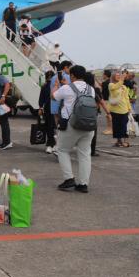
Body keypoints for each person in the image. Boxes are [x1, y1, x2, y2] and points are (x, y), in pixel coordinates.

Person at [52, 65, 95, 193]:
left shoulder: (66, 88)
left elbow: (53, 97)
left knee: (62, 150)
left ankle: (69, 178)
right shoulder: (91, 89)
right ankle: (83, 184)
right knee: (84, 154)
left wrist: (56, 85)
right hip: (88, 125)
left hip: (71, 125)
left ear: (72, 75)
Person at [85, 71, 109, 157]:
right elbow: (102, 102)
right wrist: (108, 113)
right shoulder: (95, 90)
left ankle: (83, 148)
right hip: (92, 113)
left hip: (81, 113)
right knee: (93, 132)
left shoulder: (81, 89)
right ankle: (92, 151)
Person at [108, 71, 132, 148]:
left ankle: (125, 141)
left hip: (124, 109)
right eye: (117, 75)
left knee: (124, 126)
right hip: (115, 109)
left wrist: (129, 108)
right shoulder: (111, 85)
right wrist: (122, 78)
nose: (118, 76)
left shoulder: (124, 87)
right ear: (113, 77)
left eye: (119, 75)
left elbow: (127, 98)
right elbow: (116, 87)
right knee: (116, 126)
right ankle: (119, 141)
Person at [38, 70, 56, 154]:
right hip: (54, 109)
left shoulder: (45, 86)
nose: (49, 78)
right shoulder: (55, 86)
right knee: (52, 127)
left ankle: (51, 145)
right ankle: (52, 144)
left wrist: (40, 108)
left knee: (49, 127)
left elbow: (41, 99)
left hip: (49, 109)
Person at [100, 70, 113, 135]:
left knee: (109, 115)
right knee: (107, 115)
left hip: (108, 100)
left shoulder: (107, 82)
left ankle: (110, 129)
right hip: (108, 100)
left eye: (103, 74)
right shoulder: (109, 81)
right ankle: (108, 129)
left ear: (105, 75)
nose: (102, 75)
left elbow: (101, 85)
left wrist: (95, 79)